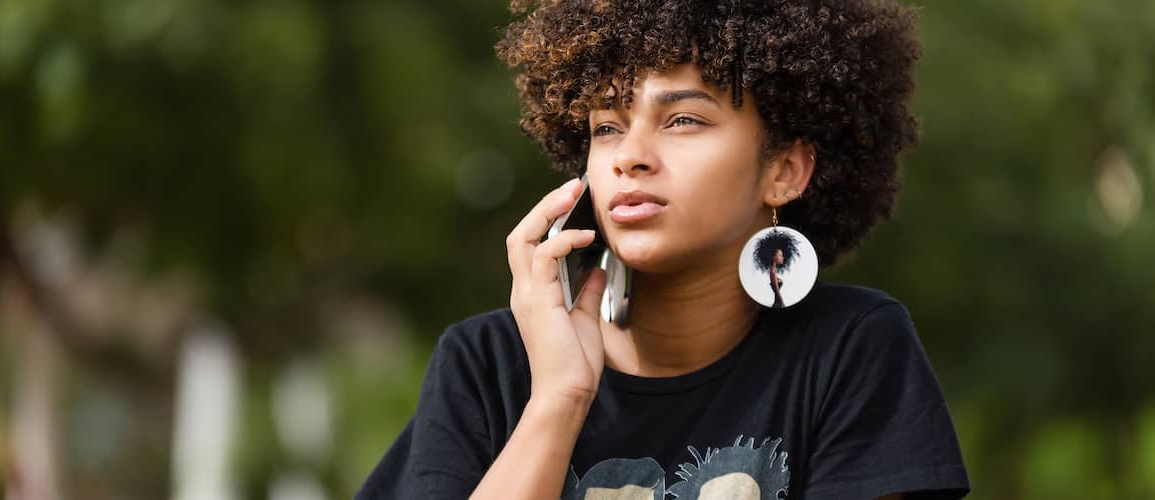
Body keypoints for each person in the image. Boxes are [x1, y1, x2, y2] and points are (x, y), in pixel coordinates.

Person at [357, 0, 970, 498]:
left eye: (683, 121)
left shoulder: (852, 349)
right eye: (606, 128)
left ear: (783, 170)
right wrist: (559, 399)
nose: (630, 156)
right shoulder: (485, 365)